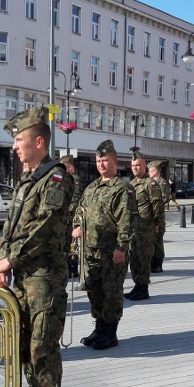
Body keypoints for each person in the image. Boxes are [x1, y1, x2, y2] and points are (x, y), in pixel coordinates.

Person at [0, 107, 74, 387]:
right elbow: (12, 229)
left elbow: (45, 228)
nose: (14, 146)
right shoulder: (29, 179)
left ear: (39, 141)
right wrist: (2, 260)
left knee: (42, 347)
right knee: (25, 345)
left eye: (19, 139)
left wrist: (12, 258)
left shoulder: (57, 178)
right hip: (24, 277)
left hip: (45, 279)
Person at [73, 140, 136, 350]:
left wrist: (121, 247)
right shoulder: (92, 187)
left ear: (115, 161)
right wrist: (77, 227)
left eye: (105, 160)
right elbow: (80, 212)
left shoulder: (122, 188)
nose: (101, 164)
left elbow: (127, 220)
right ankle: (99, 327)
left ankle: (110, 332)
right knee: (94, 290)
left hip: (111, 251)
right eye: (98, 160)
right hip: (91, 250)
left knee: (112, 292)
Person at [124, 151, 162, 301]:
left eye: (138, 165)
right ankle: (137, 285)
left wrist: (157, 225)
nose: (135, 167)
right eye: (133, 165)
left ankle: (143, 288)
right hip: (133, 229)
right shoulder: (131, 184)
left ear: (144, 166)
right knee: (134, 258)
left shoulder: (150, 184)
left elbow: (157, 207)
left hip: (146, 229)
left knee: (144, 259)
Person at [59, 155, 82, 278]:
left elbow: (75, 199)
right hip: (67, 218)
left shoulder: (74, 179)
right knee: (67, 244)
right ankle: (69, 267)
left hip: (71, 218)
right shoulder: (67, 179)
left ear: (69, 166)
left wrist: (68, 214)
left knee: (71, 244)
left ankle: (72, 268)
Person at [148, 160, 168, 273]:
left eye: (150, 171)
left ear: (156, 171)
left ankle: (158, 264)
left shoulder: (161, 182)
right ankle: (151, 262)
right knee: (151, 240)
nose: (149, 173)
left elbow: (165, 197)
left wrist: (155, 203)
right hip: (150, 215)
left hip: (159, 216)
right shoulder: (149, 182)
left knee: (158, 240)